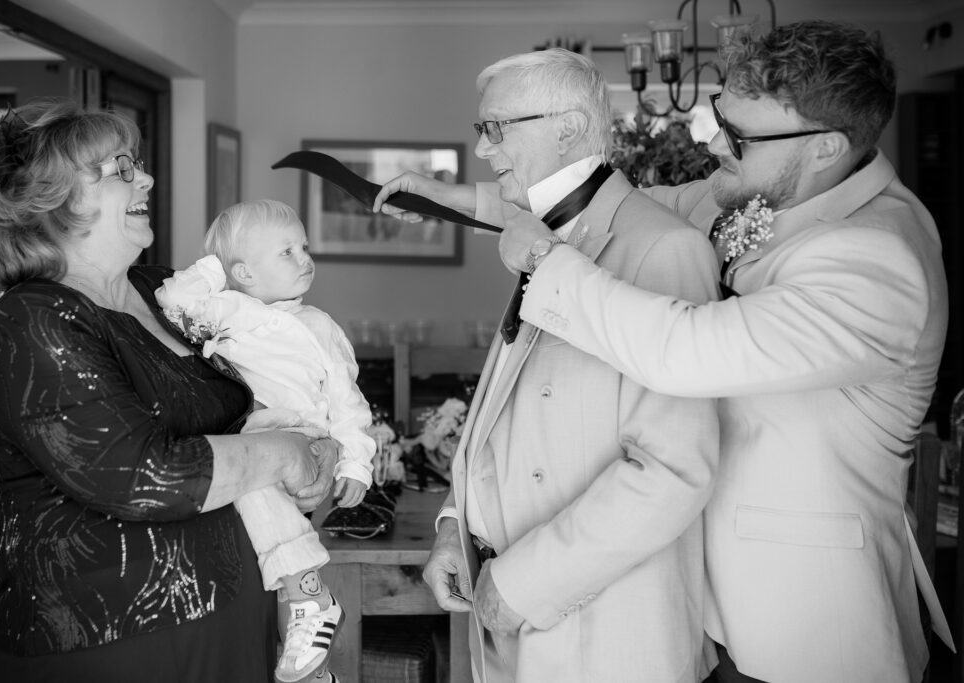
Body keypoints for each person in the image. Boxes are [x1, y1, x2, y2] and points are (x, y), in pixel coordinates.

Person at [474, 22, 952, 683]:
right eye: (718, 117)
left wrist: (544, 262)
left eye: (739, 135)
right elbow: (622, 203)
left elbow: (683, 350)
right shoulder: (765, 188)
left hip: (810, 628)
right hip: (709, 612)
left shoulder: (878, 260)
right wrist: (461, 197)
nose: (713, 143)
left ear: (826, 147)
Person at [0, 99, 340, 683]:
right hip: (114, 643)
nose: (146, 178)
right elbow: (146, 477)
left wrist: (323, 445)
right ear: (53, 197)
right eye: (120, 169)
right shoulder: (33, 320)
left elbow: (272, 379)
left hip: (236, 614)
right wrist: (286, 452)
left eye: (135, 163)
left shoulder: (162, 290)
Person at [377, 48, 721, 682]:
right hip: (517, 626)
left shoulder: (663, 249)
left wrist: (525, 586)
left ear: (568, 127)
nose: (482, 148)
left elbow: (672, 470)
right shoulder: (548, 235)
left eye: (497, 127)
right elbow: (502, 417)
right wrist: (454, 526)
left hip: (608, 640)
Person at [155, 199, 375, 682]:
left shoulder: (320, 325)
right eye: (287, 251)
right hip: (252, 437)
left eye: (305, 247)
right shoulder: (229, 311)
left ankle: (310, 596)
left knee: (256, 496)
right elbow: (174, 299)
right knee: (263, 557)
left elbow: (348, 401)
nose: (305, 259)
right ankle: (314, 664)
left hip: (302, 437)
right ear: (244, 272)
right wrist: (218, 268)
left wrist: (356, 462)